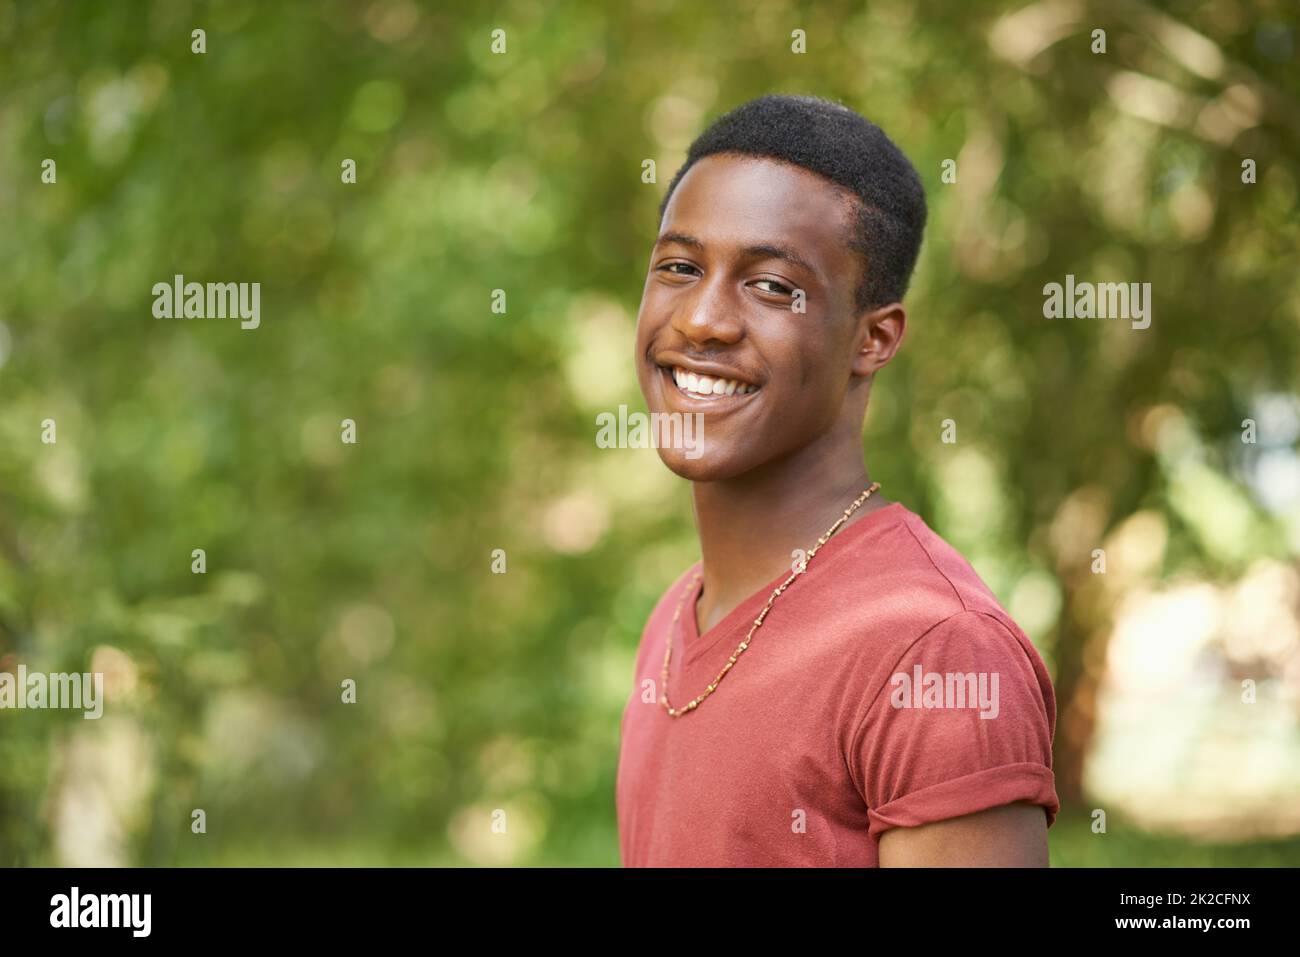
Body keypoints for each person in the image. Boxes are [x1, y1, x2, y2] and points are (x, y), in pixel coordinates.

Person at [616, 93, 1059, 867]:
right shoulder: (676, 615)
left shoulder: (935, 650)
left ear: (873, 338)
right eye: (680, 268)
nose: (702, 320)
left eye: (772, 286)